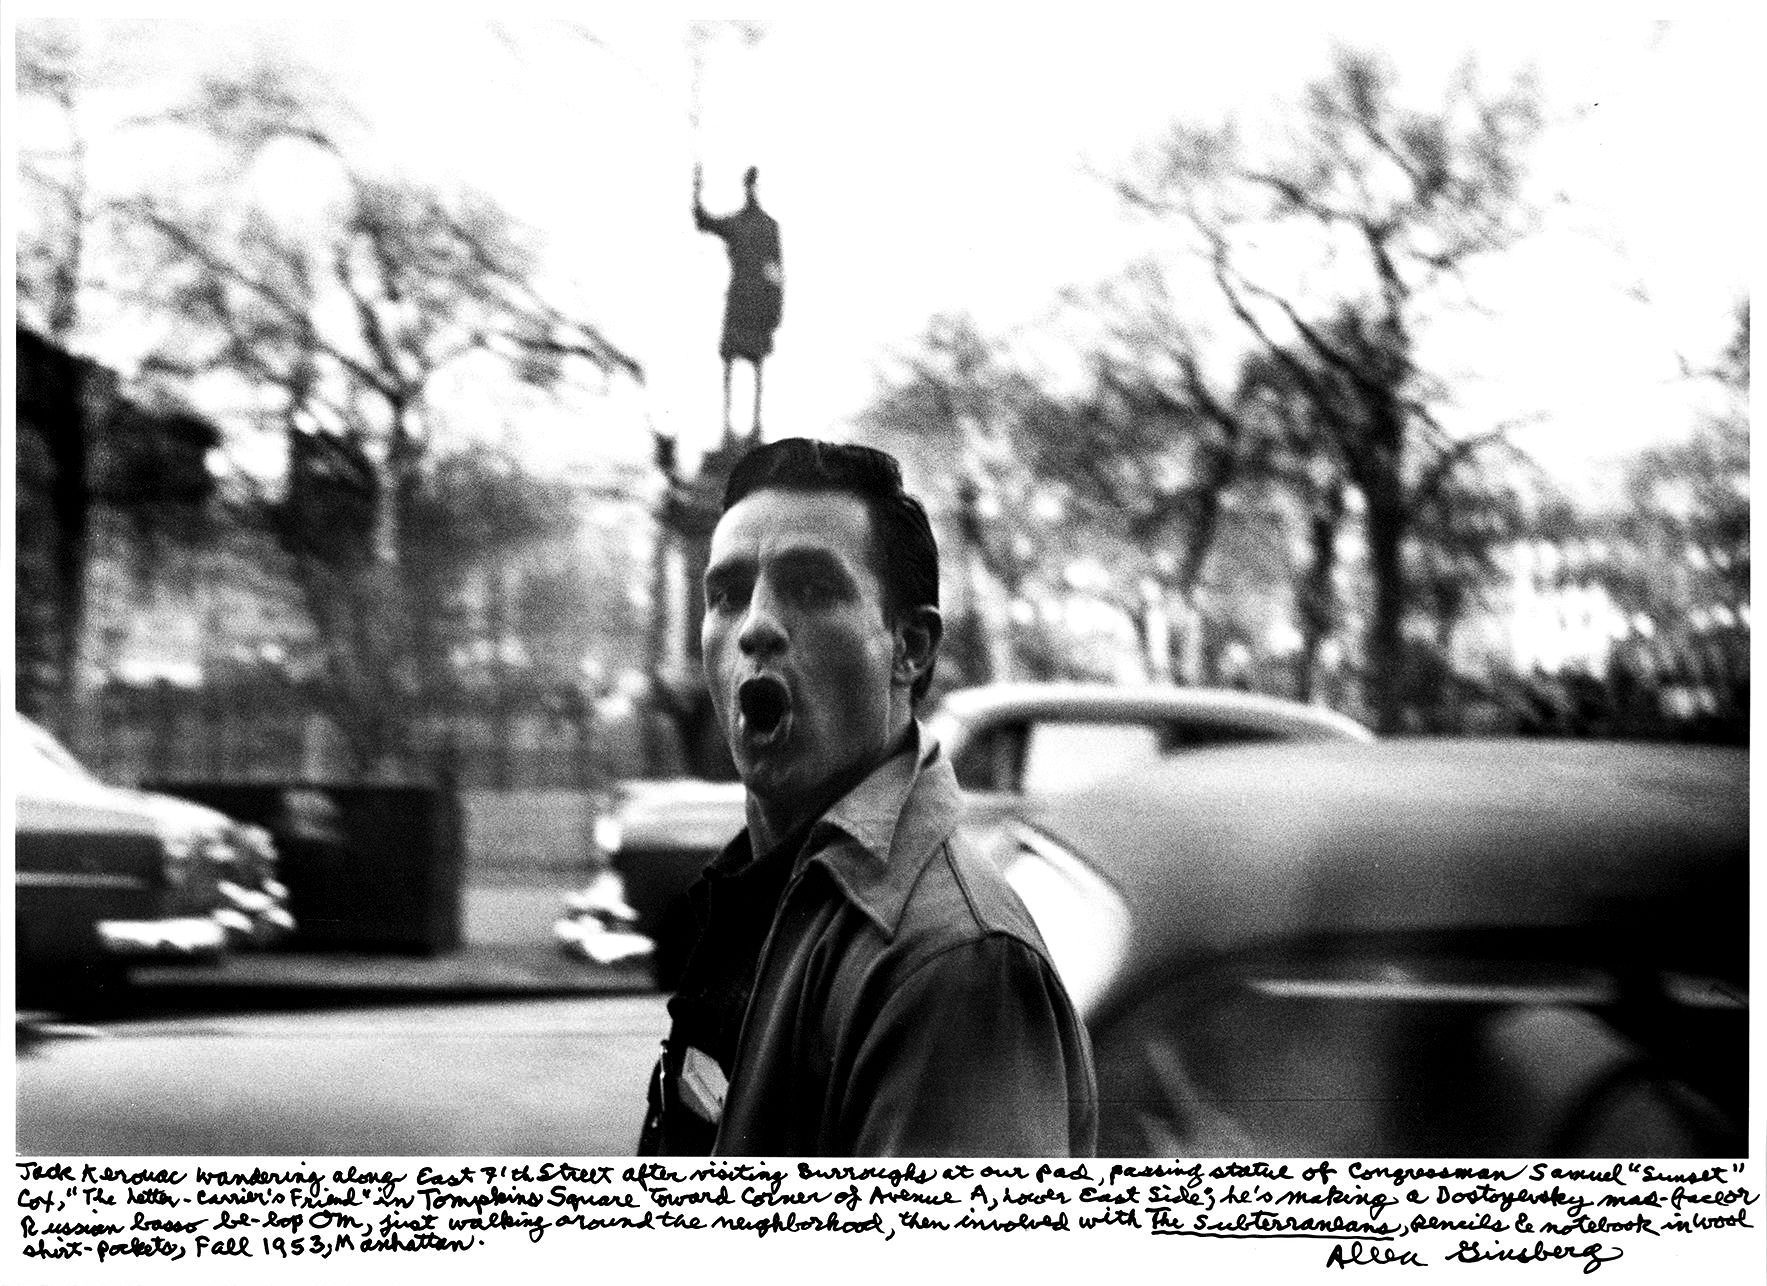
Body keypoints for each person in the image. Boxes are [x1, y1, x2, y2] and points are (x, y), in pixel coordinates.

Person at [638, 438, 1096, 1156]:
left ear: (909, 649)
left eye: (813, 590)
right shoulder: (766, 892)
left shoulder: (954, 964)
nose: (754, 626)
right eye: (725, 595)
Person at [694, 165, 783, 441]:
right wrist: (696, 187)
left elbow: (776, 270)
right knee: (731, 362)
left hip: (757, 303)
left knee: (756, 367)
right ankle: (729, 432)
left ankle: (754, 430)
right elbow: (704, 221)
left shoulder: (768, 226)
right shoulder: (739, 223)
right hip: (741, 299)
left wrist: (776, 309)